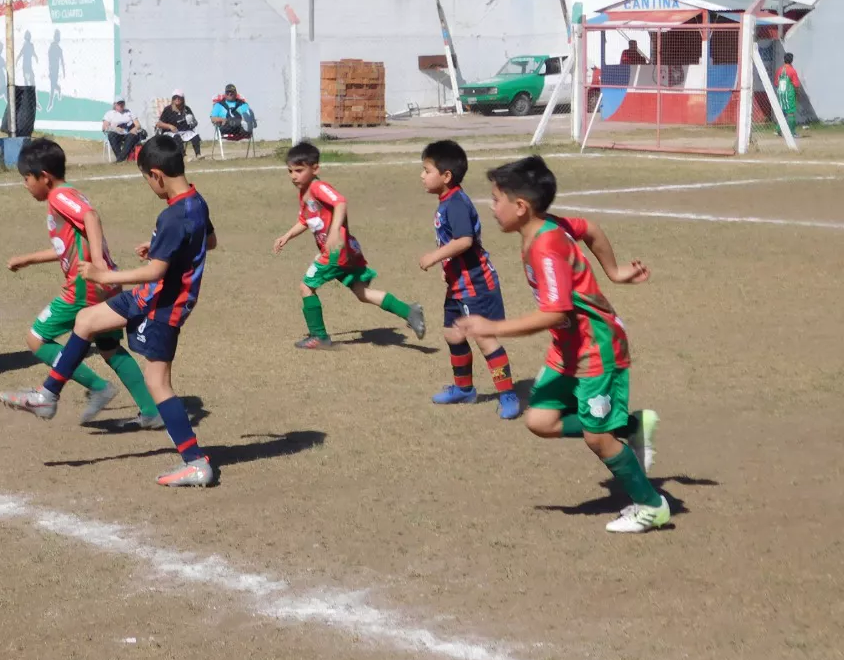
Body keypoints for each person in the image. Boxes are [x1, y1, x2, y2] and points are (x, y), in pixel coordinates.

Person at [459, 155, 666, 534]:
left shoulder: (545, 247)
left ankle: (651, 506)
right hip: (567, 348)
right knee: (540, 420)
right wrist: (615, 272)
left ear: (520, 207)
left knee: (598, 437)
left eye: (495, 199)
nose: (491, 207)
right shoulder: (546, 226)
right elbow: (589, 228)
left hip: (596, 349)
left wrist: (494, 327)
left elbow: (555, 312)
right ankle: (633, 426)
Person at [0, 135, 218, 488]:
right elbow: (210, 241)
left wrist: (105, 273)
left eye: (147, 178)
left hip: (164, 302)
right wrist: (162, 247)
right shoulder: (196, 201)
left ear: (157, 175)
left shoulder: (173, 216)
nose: (150, 185)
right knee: (86, 321)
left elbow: (154, 272)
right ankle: (47, 396)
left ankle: (195, 462)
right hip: (149, 295)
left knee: (157, 383)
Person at [6, 138, 163, 429]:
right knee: (108, 348)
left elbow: (90, 216)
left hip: (85, 287)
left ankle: (96, 387)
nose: (25, 185)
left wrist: (99, 268)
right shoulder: (69, 194)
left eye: (27, 178)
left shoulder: (58, 196)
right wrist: (29, 258)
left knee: (36, 340)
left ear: (45, 177)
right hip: (104, 284)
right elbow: (68, 247)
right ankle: (151, 410)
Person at [274, 142, 425, 350]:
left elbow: (340, 202)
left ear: (315, 169)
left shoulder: (318, 187)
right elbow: (305, 220)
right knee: (362, 294)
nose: (293, 176)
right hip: (348, 251)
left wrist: (335, 230)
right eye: (290, 171)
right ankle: (409, 311)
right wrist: (287, 236)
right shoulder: (305, 191)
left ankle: (319, 336)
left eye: (299, 171)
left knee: (306, 286)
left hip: (336, 251)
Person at [417, 140, 519, 420]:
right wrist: (447, 267)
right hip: (458, 284)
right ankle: (464, 389)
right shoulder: (447, 201)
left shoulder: (457, 204)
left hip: (476, 284)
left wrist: (435, 256)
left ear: (446, 176)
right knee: (453, 334)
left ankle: (507, 393)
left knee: (485, 339)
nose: (422, 176)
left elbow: (465, 240)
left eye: (427, 170)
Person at [156, 91, 201, 158]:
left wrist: (192, 122)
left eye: (179, 97)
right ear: (172, 99)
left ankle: (198, 154)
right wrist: (169, 126)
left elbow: (195, 122)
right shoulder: (168, 109)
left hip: (184, 131)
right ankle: (183, 156)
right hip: (170, 132)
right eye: (175, 97)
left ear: (182, 99)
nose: (177, 99)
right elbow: (159, 124)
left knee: (195, 136)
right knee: (177, 137)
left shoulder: (186, 109)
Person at [775, 52, 801, 138]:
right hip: (789, 94)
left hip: (781, 94)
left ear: (784, 60)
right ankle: (792, 132)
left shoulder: (779, 70)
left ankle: (778, 130)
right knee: (791, 113)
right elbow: (796, 85)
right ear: (792, 61)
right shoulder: (792, 70)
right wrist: (797, 94)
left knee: (782, 112)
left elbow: (776, 83)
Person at [46, 30, 65, 112]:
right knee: (53, 85)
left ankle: (50, 103)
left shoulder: (59, 49)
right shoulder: (52, 47)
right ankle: (59, 89)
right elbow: (49, 58)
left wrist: (64, 71)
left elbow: (62, 61)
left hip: (55, 70)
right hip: (52, 69)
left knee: (52, 87)